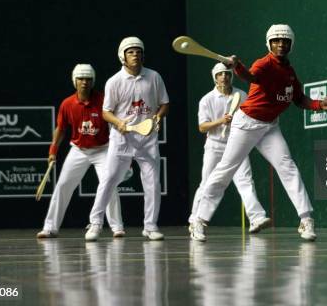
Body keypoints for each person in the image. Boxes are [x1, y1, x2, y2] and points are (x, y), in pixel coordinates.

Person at [190, 24, 327, 242]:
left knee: (288, 167)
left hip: (270, 127)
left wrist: (321, 104)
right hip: (247, 124)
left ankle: (306, 219)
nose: (281, 44)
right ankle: (199, 220)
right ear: (269, 44)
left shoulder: (290, 72)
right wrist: (236, 65)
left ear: (291, 44)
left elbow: (300, 99)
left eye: (285, 41)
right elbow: (251, 76)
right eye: (276, 41)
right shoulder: (264, 64)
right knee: (225, 170)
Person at [85, 37, 169, 241]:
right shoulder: (114, 81)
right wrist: (119, 122)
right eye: (131, 52)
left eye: (139, 52)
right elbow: (106, 112)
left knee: (153, 184)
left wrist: (157, 117)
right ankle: (95, 223)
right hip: (121, 140)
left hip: (147, 139)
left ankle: (150, 226)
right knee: (108, 180)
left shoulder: (154, 77)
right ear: (122, 56)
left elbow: (164, 103)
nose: (136, 55)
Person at [37, 64, 125, 239]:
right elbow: (61, 129)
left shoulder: (103, 100)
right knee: (62, 185)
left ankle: (117, 227)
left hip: (103, 149)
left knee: (108, 185)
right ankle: (50, 227)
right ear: (74, 81)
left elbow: (115, 123)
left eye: (88, 79)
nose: (84, 82)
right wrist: (53, 149)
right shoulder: (67, 104)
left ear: (92, 81)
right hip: (79, 150)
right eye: (80, 79)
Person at [188, 63, 271, 240]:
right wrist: (220, 121)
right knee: (207, 183)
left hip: (237, 145)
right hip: (215, 146)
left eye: (227, 74)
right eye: (220, 74)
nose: (224, 77)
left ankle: (256, 218)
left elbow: (251, 115)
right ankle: (195, 220)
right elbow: (202, 127)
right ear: (215, 78)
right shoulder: (207, 100)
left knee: (245, 181)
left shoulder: (241, 95)